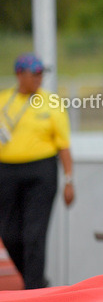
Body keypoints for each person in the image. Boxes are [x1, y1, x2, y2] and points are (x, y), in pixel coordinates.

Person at [0, 53, 73, 289]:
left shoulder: (51, 103)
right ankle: (37, 281)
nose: (40, 78)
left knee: (34, 235)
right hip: (7, 172)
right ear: (19, 74)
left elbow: (63, 145)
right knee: (8, 233)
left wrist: (69, 180)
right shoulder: (3, 101)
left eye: (42, 73)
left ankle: (33, 289)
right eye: (35, 73)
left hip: (41, 173)